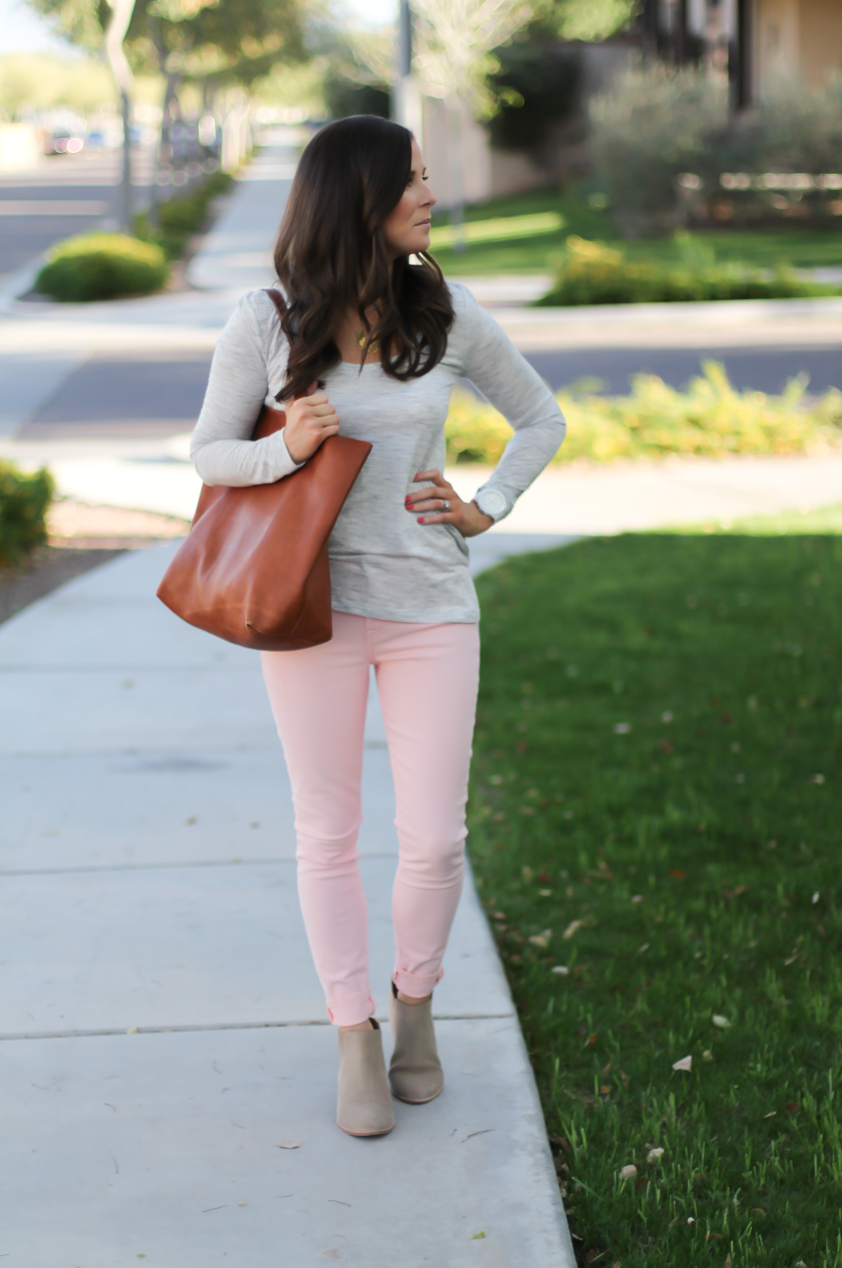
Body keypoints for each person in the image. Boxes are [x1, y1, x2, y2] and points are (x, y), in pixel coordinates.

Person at [190, 115, 566, 1137]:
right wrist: (284, 448)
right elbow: (208, 453)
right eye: (412, 180)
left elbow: (541, 416)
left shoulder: (441, 311)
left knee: (435, 837)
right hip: (307, 611)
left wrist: (486, 503)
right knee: (327, 830)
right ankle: (350, 1028)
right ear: (358, 198)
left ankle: (414, 1002)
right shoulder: (265, 319)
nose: (430, 195)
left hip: (428, 606)